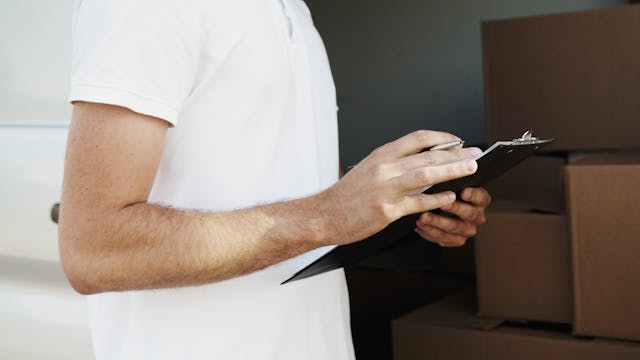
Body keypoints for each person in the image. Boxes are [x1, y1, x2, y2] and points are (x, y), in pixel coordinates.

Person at [58, 0, 491, 359]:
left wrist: (410, 204)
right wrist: (328, 215)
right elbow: (94, 249)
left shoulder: (293, 10)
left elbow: (312, 193)